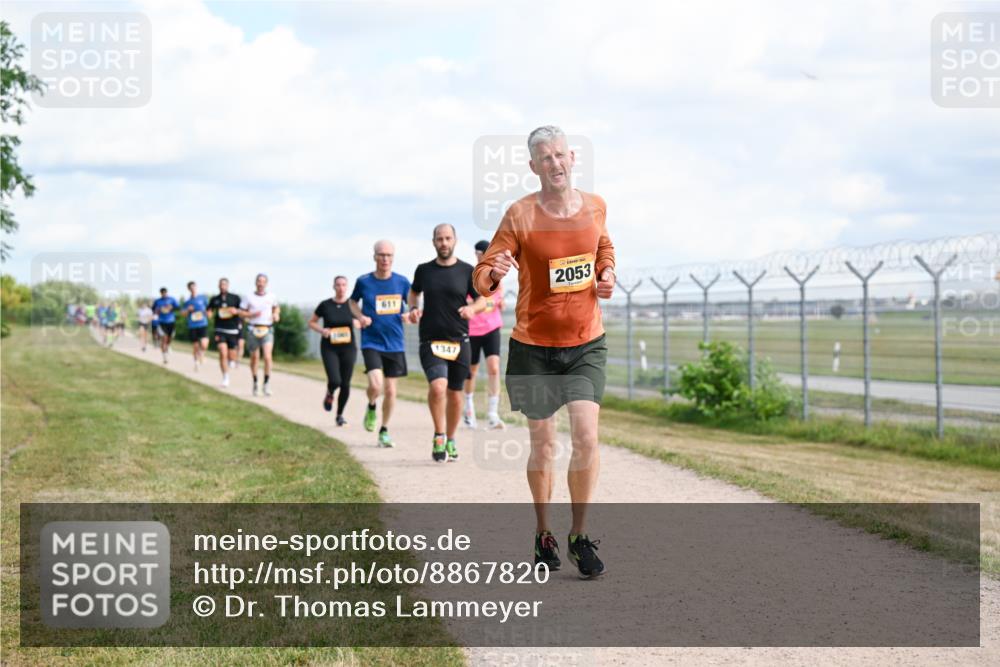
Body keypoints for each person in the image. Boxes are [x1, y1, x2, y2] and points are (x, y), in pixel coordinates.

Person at [472, 125, 616, 579]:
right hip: (533, 348)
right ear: (534, 167)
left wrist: (607, 270)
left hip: (586, 344)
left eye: (560, 155)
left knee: (586, 437)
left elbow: (603, 244)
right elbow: (481, 276)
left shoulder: (595, 205)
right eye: (544, 159)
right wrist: (493, 272)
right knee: (544, 444)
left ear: (572, 157)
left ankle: (579, 534)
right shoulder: (520, 214)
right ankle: (543, 531)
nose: (555, 164)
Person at [408, 224, 487, 462]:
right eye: (439, 239)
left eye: (448, 238)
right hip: (431, 340)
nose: (444, 243)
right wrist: (413, 309)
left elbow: (482, 300)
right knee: (438, 387)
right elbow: (414, 293)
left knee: (455, 394)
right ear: (433, 242)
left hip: (460, 340)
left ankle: (451, 439)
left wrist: (472, 308)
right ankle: (439, 434)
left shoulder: (467, 270)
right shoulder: (423, 270)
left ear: (455, 240)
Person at [348, 240, 411, 448]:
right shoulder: (364, 281)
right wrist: (360, 316)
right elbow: (352, 302)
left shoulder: (402, 282)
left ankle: (384, 430)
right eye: (381, 255)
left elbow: (412, 304)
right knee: (375, 385)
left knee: (391, 391)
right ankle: (372, 405)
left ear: (393, 258)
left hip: (395, 343)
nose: (385, 259)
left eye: (389, 255)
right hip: (371, 341)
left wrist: (409, 314)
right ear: (374, 257)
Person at [464, 239, 506, 430]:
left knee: (494, 368)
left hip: (492, 328)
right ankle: (469, 410)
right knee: (471, 371)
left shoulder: (497, 276)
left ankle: (492, 414)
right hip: (472, 330)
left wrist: (501, 303)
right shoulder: (470, 276)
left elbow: (498, 298)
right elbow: (469, 301)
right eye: (484, 253)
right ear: (478, 255)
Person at [309, 276, 360, 426]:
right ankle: (330, 393)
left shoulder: (352, 305)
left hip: (348, 348)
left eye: (344, 285)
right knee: (335, 380)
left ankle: (339, 415)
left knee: (345, 383)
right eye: (338, 285)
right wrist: (322, 330)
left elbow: (363, 320)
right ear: (333, 286)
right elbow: (311, 322)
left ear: (347, 287)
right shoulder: (325, 305)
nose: (341, 288)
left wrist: (358, 322)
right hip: (329, 347)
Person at [241, 273, 280, 396]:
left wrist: (276, 314)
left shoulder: (272, 296)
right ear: (255, 283)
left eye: (263, 281)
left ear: (266, 284)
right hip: (253, 329)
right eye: (259, 281)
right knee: (254, 358)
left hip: (267, 329)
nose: (261, 283)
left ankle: (266, 383)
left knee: (268, 357)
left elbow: (276, 308)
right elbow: (241, 313)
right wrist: (250, 315)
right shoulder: (248, 297)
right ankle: (255, 382)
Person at [207, 278, 243, 388]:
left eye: (225, 284)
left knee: (231, 355)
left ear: (228, 285)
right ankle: (225, 377)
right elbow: (209, 310)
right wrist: (208, 314)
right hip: (220, 329)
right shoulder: (214, 299)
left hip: (233, 329)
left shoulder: (235, 298)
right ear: (218, 286)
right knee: (223, 352)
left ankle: (232, 360)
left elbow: (243, 311)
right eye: (221, 284)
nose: (223, 286)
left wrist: (236, 311)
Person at [182, 281, 210, 371]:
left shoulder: (203, 298)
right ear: (188, 289)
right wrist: (188, 310)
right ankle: (196, 362)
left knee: (204, 344)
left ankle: (201, 354)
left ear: (196, 287)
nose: (193, 288)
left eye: (194, 287)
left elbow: (209, 309)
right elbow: (183, 313)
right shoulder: (187, 301)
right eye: (191, 287)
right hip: (192, 325)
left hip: (203, 323)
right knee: (195, 346)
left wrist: (208, 313)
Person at [151, 288, 180, 364]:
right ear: (161, 293)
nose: (164, 294)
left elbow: (178, 307)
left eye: (165, 293)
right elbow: (153, 310)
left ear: (167, 292)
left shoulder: (172, 299)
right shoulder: (157, 301)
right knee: (164, 338)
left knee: (170, 338)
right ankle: (165, 357)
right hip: (162, 322)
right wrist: (157, 311)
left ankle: (168, 345)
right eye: (162, 293)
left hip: (171, 322)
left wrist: (172, 307)